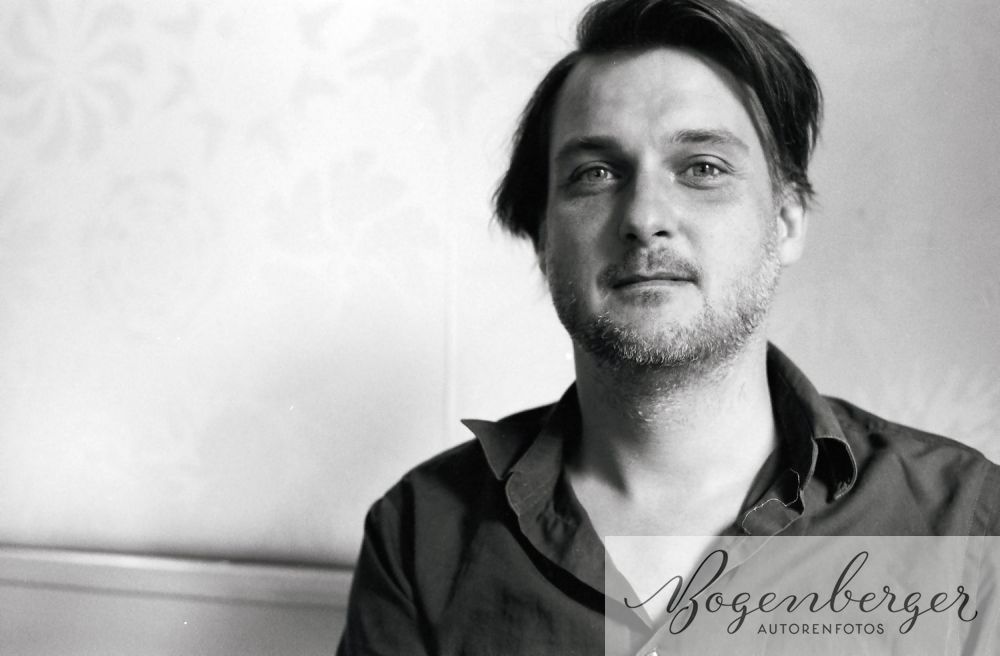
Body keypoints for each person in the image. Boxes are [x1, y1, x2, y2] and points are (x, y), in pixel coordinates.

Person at [337, 0, 1000, 654]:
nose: (645, 217)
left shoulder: (965, 524)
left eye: (703, 168)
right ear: (542, 238)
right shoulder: (421, 531)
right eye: (596, 173)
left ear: (786, 220)